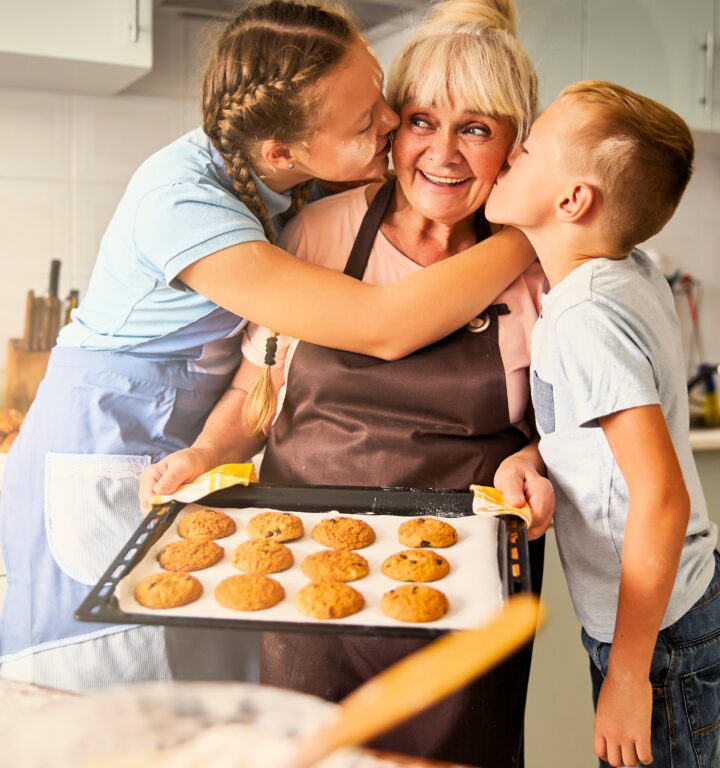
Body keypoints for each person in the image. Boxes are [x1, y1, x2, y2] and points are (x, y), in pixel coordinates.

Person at [0, 0, 536, 692]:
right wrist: (528, 235)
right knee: (107, 699)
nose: (392, 126)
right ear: (285, 153)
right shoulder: (186, 202)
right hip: (106, 447)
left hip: (185, 464)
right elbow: (380, 324)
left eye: (383, 99)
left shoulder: (278, 175)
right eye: (377, 122)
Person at [142, 0, 553, 764]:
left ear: (514, 145)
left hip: (464, 590)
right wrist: (200, 456)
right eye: (424, 120)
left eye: (477, 128)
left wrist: (529, 460)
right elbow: (256, 390)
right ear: (393, 127)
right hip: (304, 578)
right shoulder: (316, 232)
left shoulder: (537, 273)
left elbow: (550, 432)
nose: (444, 153)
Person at [485, 80, 720, 768]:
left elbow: (659, 495)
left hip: (659, 637)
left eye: (526, 150)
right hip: (670, 613)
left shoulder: (584, 316)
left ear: (573, 201)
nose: (507, 155)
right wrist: (534, 458)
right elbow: (595, 431)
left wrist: (628, 675)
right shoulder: (625, 273)